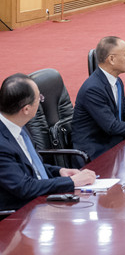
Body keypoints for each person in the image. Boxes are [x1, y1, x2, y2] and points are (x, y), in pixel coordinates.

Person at [0, 74, 97, 211]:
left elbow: (31, 166)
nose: (41, 101)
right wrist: (70, 182)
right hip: (20, 212)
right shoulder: (2, 144)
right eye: (39, 98)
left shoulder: (17, 124)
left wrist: (60, 171)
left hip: (39, 199)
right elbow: (24, 187)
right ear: (26, 109)